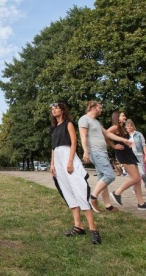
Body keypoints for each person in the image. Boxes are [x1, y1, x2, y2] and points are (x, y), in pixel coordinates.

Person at [49, 102, 101, 245]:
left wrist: (70, 161)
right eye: (52, 109)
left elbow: (73, 143)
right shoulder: (53, 128)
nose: (54, 110)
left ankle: (93, 230)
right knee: (67, 192)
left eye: (56, 108)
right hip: (58, 160)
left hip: (68, 157)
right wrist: (52, 164)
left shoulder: (68, 124)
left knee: (80, 190)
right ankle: (78, 226)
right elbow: (53, 147)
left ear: (63, 110)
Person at [78, 101, 130, 214]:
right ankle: (93, 197)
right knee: (109, 175)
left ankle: (108, 205)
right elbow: (83, 136)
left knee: (102, 178)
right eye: (100, 107)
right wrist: (86, 151)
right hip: (95, 152)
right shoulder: (84, 119)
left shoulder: (96, 122)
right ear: (93, 108)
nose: (102, 110)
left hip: (102, 152)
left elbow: (107, 134)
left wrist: (119, 142)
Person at [107, 111, 146, 210]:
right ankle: (117, 193)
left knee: (137, 180)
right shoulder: (115, 127)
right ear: (117, 117)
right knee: (136, 178)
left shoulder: (122, 128)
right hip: (123, 155)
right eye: (123, 115)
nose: (125, 117)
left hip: (130, 154)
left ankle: (141, 203)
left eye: (125, 115)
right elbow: (105, 135)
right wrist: (113, 145)